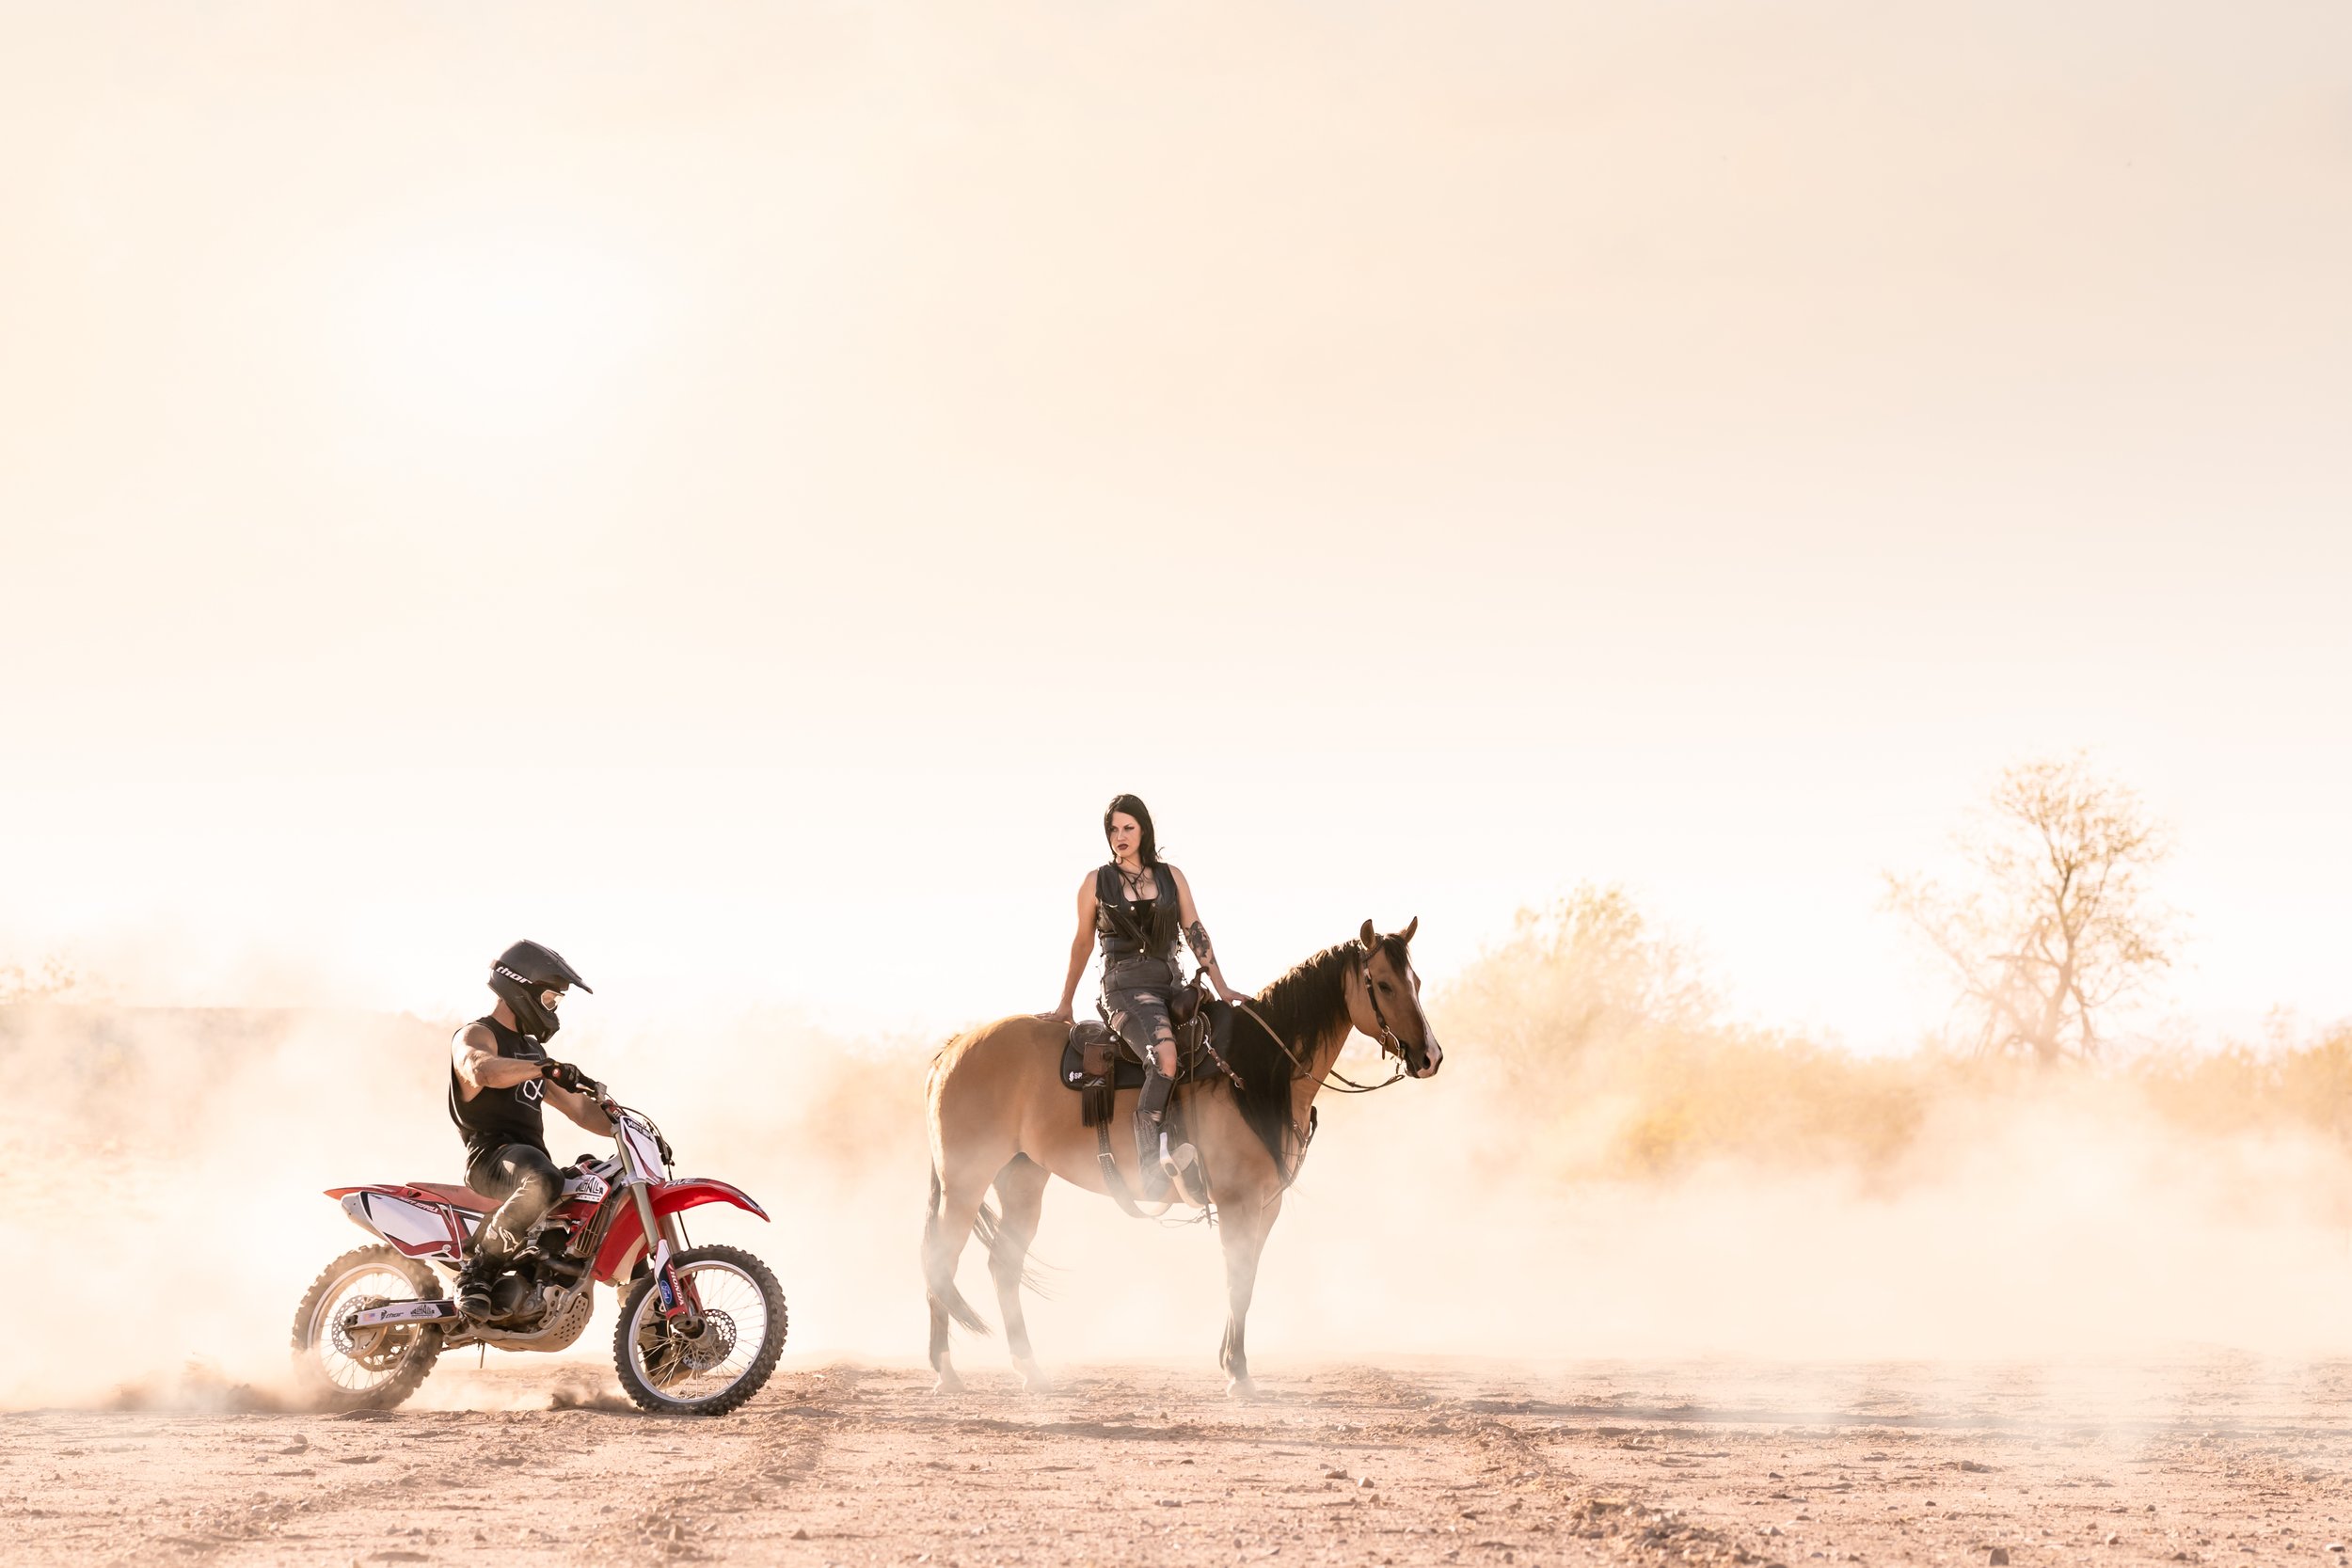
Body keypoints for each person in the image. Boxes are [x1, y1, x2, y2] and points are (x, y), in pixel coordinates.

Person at [1045, 794, 1248, 1199]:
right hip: (1124, 989)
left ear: (1143, 829)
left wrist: (1221, 986)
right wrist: (1065, 1002)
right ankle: (1149, 1165)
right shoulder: (1095, 883)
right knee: (1166, 1057)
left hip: (1172, 984)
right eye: (1113, 830)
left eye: (1128, 828)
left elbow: (1195, 932)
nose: (1120, 836)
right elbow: (1082, 944)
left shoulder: (1171, 876)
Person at [447, 939, 612, 1320]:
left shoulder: (534, 1054)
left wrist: (630, 1130)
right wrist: (546, 1069)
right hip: (490, 1157)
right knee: (543, 1180)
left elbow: (581, 1112)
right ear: (522, 990)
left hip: (529, 1160)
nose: (553, 1008)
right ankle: (477, 1274)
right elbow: (481, 1069)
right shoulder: (476, 1034)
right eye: (551, 998)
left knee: (599, 1184)